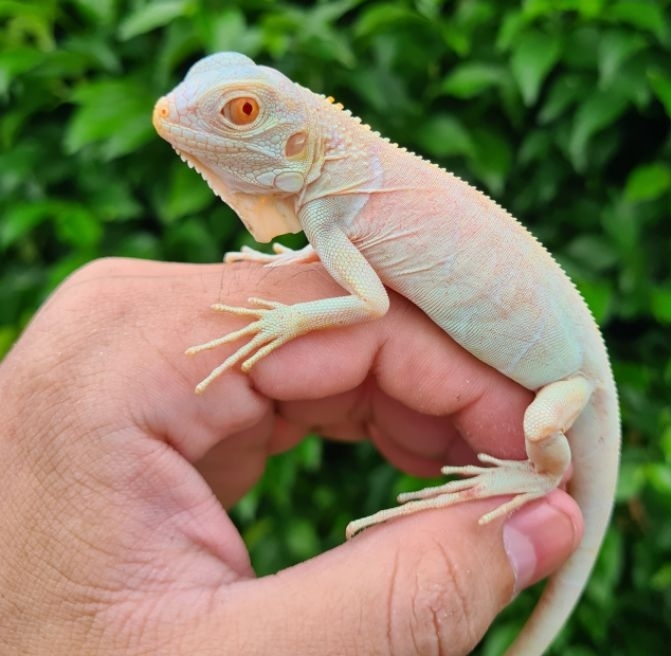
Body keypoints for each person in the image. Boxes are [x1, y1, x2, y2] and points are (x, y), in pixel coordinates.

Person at [0, 257, 583, 654]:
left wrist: (289, 318)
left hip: (568, 384)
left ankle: (540, 476)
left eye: (244, 114)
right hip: (553, 366)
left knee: (535, 427)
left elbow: (370, 301)